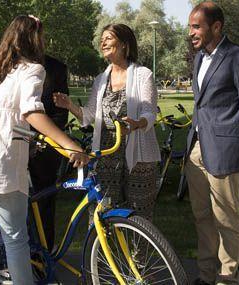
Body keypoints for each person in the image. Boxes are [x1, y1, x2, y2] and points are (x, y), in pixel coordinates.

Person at [0, 15, 89, 285]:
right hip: (0, 160)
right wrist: (69, 144)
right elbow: (31, 111)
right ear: (35, 38)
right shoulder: (33, 69)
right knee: (15, 238)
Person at [184, 2, 239, 285]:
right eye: (190, 26)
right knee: (202, 216)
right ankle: (206, 276)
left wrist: (233, 139)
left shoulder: (238, 57)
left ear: (216, 27)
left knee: (226, 219)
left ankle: (227, 278)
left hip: (224, 152)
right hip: (196, 149)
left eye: (197, 26)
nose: (191, 32)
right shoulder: (198, 59)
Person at [54, 24, 160, 221]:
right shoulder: (100, 80)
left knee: (140, 216)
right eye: (101, 39)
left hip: (139, 157)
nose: (102, 42)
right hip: (105, 157)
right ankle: (103, 252)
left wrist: (136, 124)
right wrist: (69, 105)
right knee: (103, 213)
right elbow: (89, 115)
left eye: (108, 38)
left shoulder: (143, 75)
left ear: (124, 44)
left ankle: (138, 253)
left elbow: (150, 113)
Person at [28, 54, 69, 250]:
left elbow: (60, 112)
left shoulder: (56, 67)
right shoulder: (6, 64)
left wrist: (42, 140)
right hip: (11, 144)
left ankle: (44, 252)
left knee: (44, 201)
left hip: (44, 147)